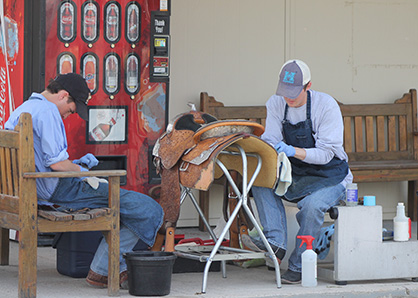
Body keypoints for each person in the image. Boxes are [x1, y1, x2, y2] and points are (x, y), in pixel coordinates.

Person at [5, 73, 164, 289]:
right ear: (63, 96)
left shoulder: (24, 108)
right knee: (148, 209)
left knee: (125, 204)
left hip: (27, 189)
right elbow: (58, 165)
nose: (69, 115)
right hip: (56, 190)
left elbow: (44, 160)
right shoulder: (48, 111)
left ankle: (104, 269)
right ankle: (104, 270)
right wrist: (85, 173)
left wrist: (78, 165)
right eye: (71, 110)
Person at [243, 59, 353, 284]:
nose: (289, 98)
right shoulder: (275, 103)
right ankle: (276, 242)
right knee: (260, 181)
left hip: (330, 174)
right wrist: (268, 147)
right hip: (296, 171)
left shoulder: (326, 106)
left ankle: (299, 265)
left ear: (308, 86)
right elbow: (271, 138)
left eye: (294, 93)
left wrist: (293, 150)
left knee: (312, 206)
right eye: (285, 92)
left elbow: (325, 154)